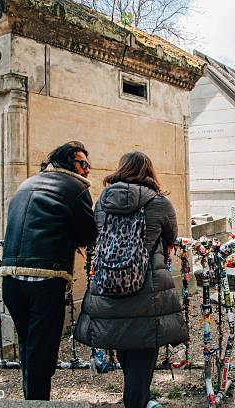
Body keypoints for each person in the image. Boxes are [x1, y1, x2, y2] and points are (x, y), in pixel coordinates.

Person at [75, 151, 187, 408]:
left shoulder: (103, 201)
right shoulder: (159, 202)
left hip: (107, 284)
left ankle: (140, 398)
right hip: (147, 287)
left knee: (125, 340)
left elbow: (97, 232)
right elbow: (171, 236)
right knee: (144, 346)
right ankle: (136, 400)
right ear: (149, 171)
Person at [0, 141, 98, 400]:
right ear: (69, 163)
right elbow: (89, 233)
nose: (87, 170)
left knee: (28, 344)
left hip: (9, 278)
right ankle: (38, 402)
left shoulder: (27, 184)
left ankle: (29, 396)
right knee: (42, 350)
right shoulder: (76, 188)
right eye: (83, 164)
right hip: (44, 279)